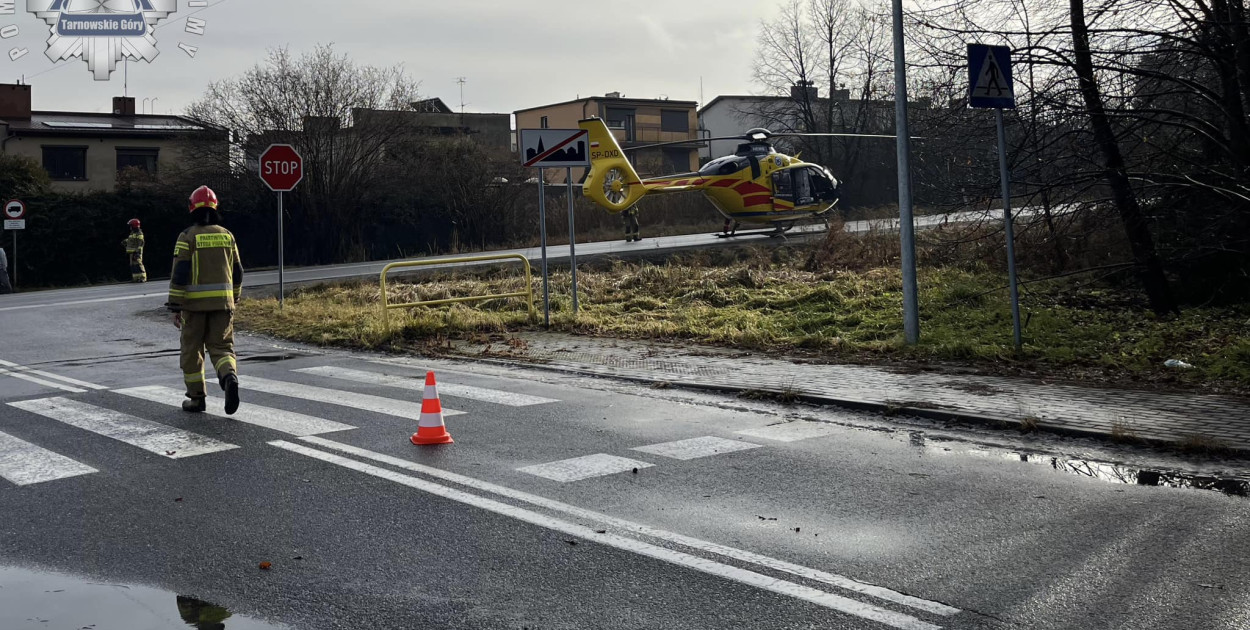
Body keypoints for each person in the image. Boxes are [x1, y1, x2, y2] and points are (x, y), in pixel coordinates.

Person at [167, 185, 243, 414]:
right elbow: (237, 271)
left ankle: (197, 398)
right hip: (223, 305)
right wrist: (235, 296)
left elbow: (180, 273)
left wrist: (175, 305)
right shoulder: (227, 235)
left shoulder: (187, 236)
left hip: (194, 307)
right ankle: (229, 377)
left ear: (192, 208)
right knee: (221, 347)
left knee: (192, 351)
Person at [123, 218, 147, 282]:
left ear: (134, 226)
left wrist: (137, 253)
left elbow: (140, 244)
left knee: (139, 265)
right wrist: (126, 241)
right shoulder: (132, 233)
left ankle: (143, 278)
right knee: (133, 266)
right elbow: (131, 240)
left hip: (136, 253)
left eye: (131, 226)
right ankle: (136, 278)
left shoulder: (139, 234)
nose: (130, 227)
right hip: (132, 252)